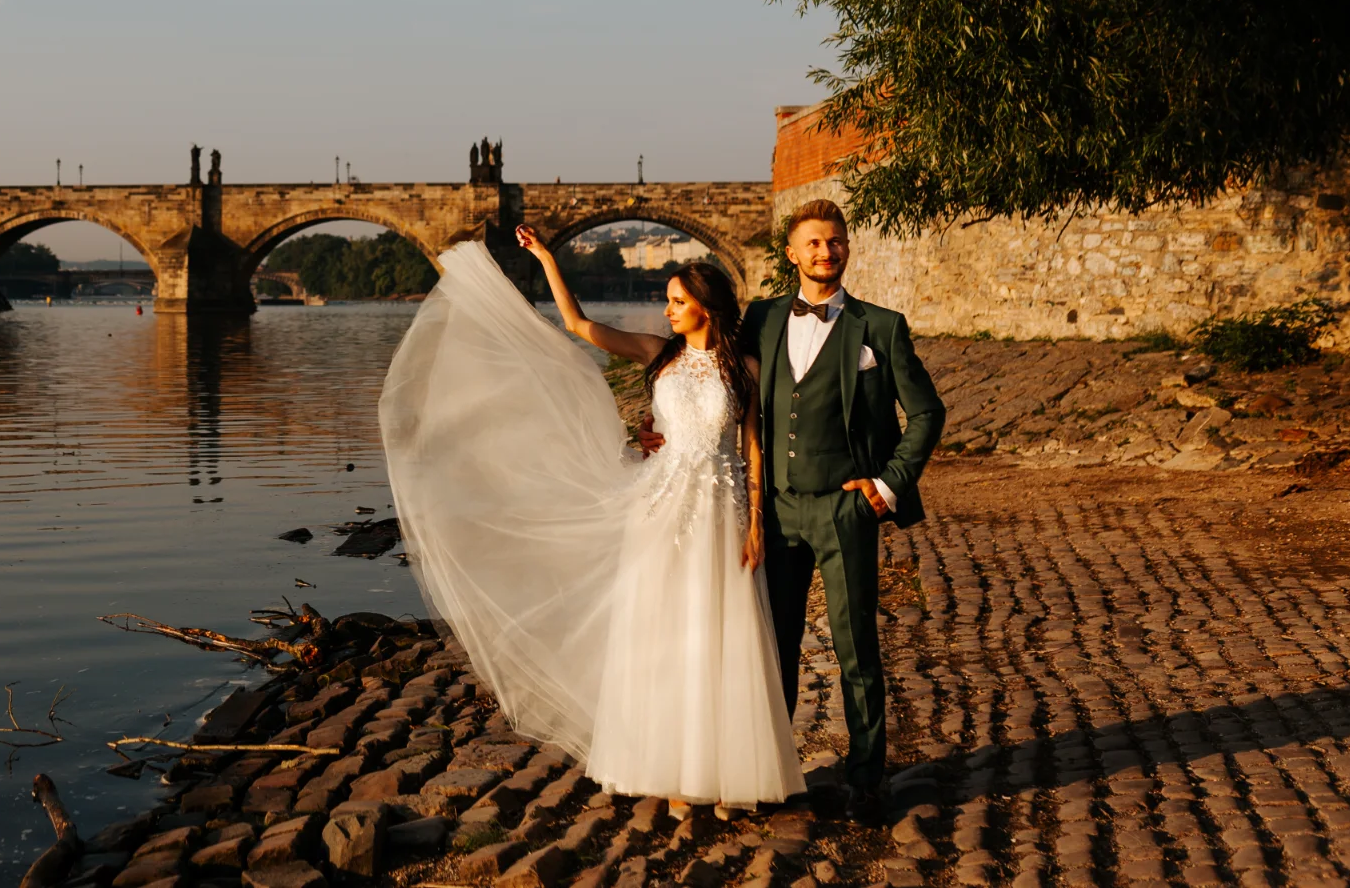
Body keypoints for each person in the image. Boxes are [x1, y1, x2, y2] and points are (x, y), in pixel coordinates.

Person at [378, 230, 804, 817]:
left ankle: (726, 772)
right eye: (668, 301)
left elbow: (752, 448)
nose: (667, 310)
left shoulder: (746, 367)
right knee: (662, 639)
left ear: (704, 306)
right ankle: (672, 774)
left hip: (722, 511)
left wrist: (757, 522)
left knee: (720, 637)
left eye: (677, 301)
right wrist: (547, 260)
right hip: (661, 509)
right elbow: (579, 327)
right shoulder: (660, 354)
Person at [643, 199, 943, 823]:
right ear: (792, 253)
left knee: (856, 646)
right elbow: (716, 378)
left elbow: (927, 414)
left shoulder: (880, 328)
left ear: (846, 248)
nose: (824, 253)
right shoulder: (763, 319)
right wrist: (663, 431)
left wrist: (887, 485)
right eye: (812, 243)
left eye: (834, 242)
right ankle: (767, 772)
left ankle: (865, 779)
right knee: (769, 646)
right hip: (772, 511)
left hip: (845, 509)